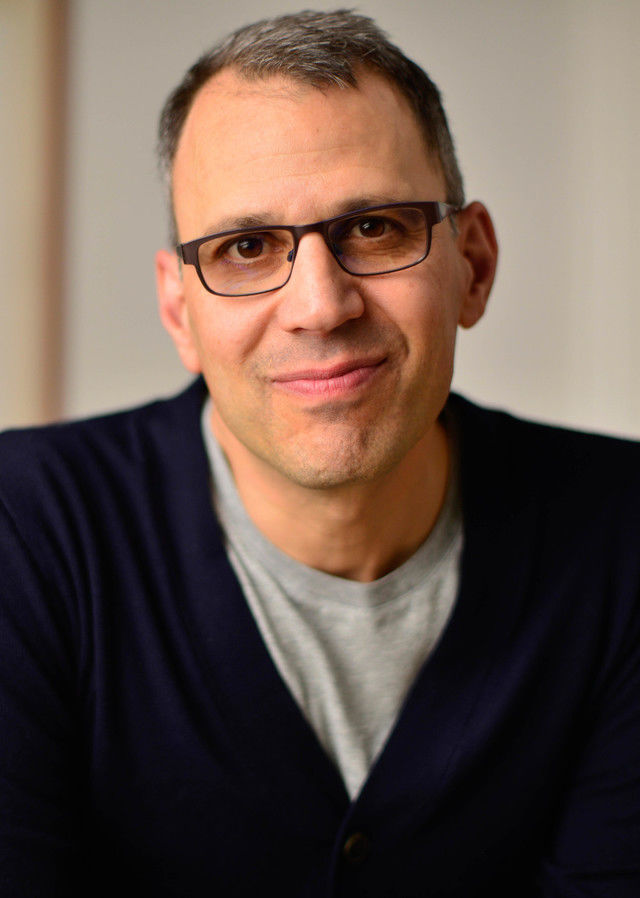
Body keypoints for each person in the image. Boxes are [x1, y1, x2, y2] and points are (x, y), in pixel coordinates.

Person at [1, 9, 638, 897]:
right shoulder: (25, 532)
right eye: (246, 247)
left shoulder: (622, 537)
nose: (320, 306)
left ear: (474, 265)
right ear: (180, 311)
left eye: (374, 228)